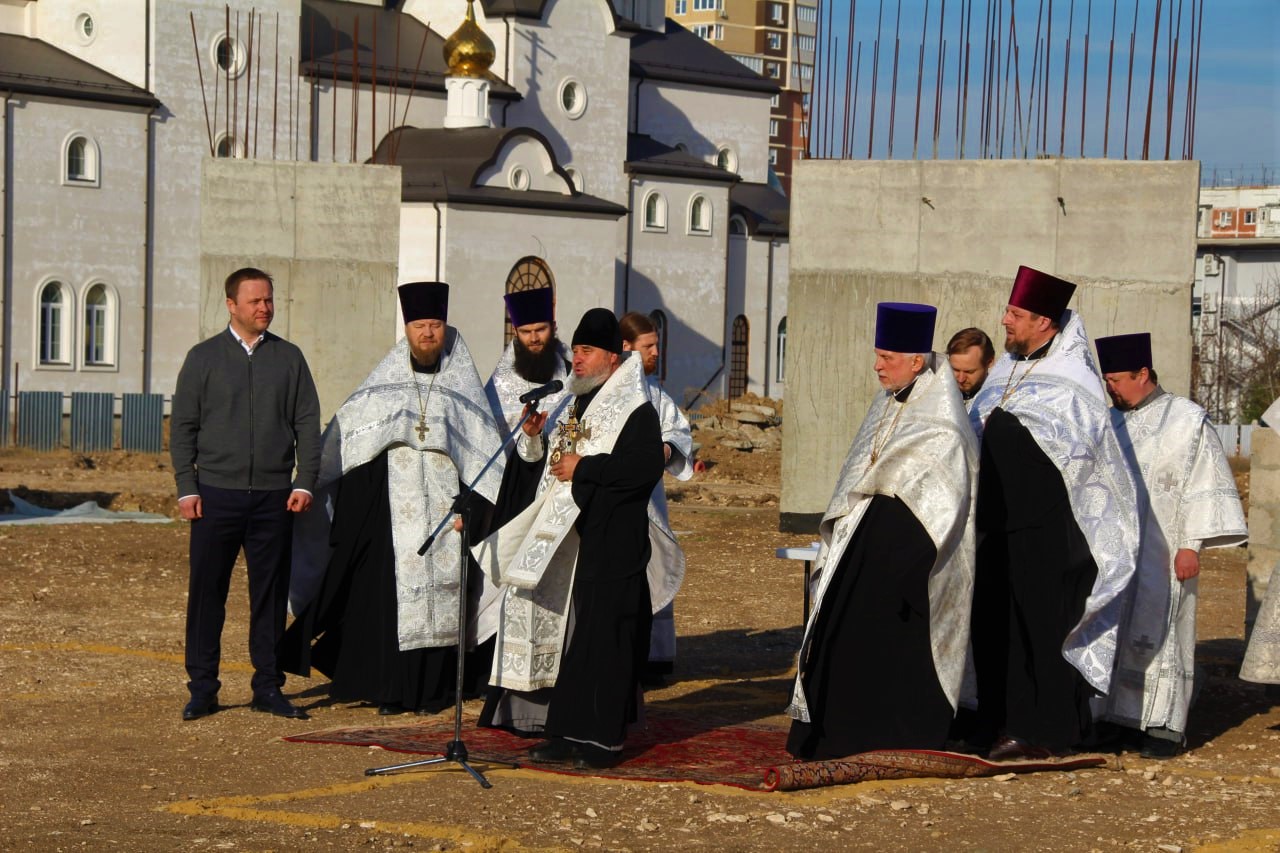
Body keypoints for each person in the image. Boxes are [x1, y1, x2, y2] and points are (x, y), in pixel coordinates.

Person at [281, 282, 504, 715]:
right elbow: (350, 438)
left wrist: (475, 509)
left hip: (447, 515)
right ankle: (392, 690)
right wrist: (313, 484)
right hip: (394, 515)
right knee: (390, 603)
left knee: (446, 600)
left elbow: (484, 455)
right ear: (407, 328)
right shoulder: (386, 384)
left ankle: (436, 691)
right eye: (420, 325)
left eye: (435, 325)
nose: (428, 333)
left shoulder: (462, 387)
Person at [475, 308, 667, 770]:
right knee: (577, 647)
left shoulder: (635, 411)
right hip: (576, 546)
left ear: (611, 356)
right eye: (575, 350)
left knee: (607, 646)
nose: (576, 360)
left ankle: (603, 742)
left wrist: (587, 468)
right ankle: (565, 733)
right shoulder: (577, 404)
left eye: (586, 352)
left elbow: (643, 470)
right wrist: (537, 442)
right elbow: (551, 472)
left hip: (615, 545)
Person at [786, 303, 978, 759]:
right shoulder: (886, 402)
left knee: (889, 642)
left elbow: (946, 500)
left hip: (912, 555)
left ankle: (891, 735)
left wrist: (905, 561)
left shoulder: (943, 420)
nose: (877, 366)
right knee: (840, 632)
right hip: (865, 541)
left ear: (916, 360)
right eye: (877, 355)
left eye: (887, 357)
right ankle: (835, 734)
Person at [968, 266, 1141, 760]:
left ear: (1044, 321)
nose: (1005, 320)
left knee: (1037, 632)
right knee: (993, 624)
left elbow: (1085, 458)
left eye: (1016, 314)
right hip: (997, 526)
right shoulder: (1005, 368)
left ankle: (1039, 730)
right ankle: (994, 720)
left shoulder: (1073, 379)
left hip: (1049, 534)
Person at [171, 267, 321, 722]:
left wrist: (304, 480)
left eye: (269, 300)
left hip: (274, 497)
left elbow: (307, 425)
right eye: (255, 301)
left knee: (270, 596)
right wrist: (186, 487)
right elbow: (183, 428)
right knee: (207, 594)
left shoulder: (290, 359)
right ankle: (203, 688)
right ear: (231, 305)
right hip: (215, 495)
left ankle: (268, 686)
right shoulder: (203, 358)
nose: (264, 308)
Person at [1096, 333, 1247, 757]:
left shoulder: (1187, 419)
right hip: (1118, 553)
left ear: (1143, 373)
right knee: (1114, 632)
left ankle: (1163, 726)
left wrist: (1191, 545)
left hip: (1166, 553)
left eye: (1118, 380)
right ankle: (1115, 719)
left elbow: (1205, 484)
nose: (1112, 389)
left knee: (1165, 634)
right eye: (1107, 381)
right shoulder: (1110, 422)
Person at [619, 311, 691, 682]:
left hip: (650, 505)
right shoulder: (602, 392)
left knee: (653, 568)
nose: (655, 353)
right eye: (648, 346)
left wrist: (665, 448)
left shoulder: (656, 396)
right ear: (626, 348)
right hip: (615, 504)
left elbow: (679, 429)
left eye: (657, 345)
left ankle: (654, 657)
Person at [484, 288, 572, 436]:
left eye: (541, 329)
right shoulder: (497, 390)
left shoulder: (573, 378)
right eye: (525, 332)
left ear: (553, 327)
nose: (534, 338)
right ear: (515, 331)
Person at [947, 327, 996, 408]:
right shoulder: (938, 393)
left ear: (989, 362)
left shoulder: (997, 401)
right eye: (955, 370)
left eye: (969, 372)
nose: (961, 379)